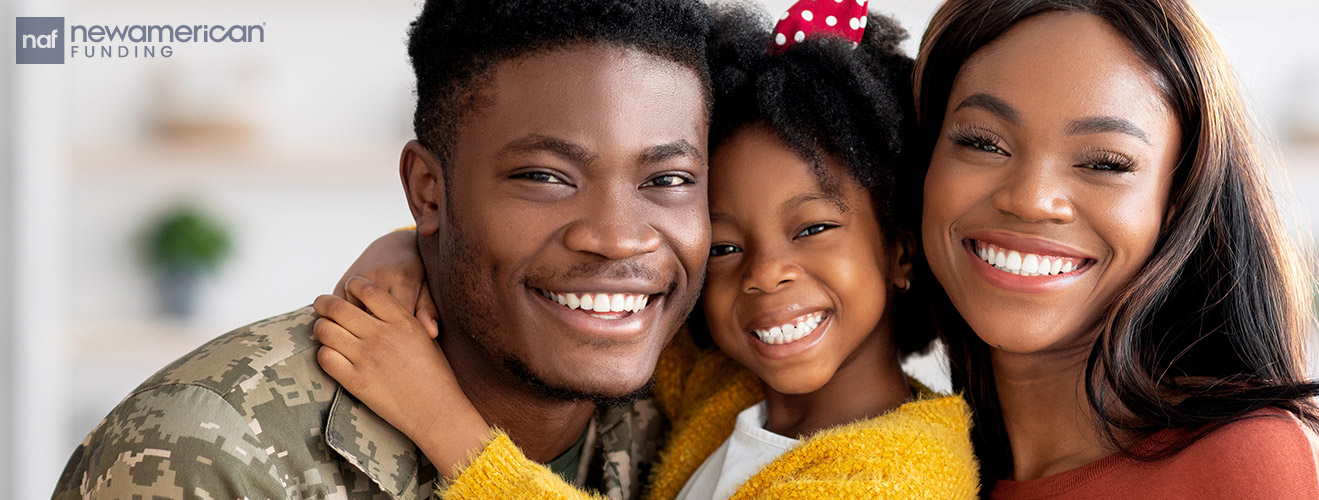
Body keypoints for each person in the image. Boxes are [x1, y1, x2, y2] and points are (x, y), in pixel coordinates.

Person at [51, 1, 713, 499]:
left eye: (669, 180)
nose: (620, 237)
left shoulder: (706, 406)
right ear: (428, 191)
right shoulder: (214, 450)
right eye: (544, 177)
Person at [317, 4, 980, 499]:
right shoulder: (722, 386)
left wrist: (440, 420)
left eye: (812, 230)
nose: (766, 275)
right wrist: (408, 250)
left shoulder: (898, 474)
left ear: (900, 248)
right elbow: (579, 287)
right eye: (723, 245)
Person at [910, 0, 1319, 498]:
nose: (1030, 199)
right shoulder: (895, 467)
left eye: (1106, 164)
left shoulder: (1246, 464)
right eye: (984, 142)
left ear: (1178, 201)